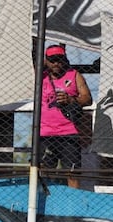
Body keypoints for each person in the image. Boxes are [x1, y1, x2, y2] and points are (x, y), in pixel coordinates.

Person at [40, 44, 92, 189]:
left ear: (65, 59)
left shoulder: (74, 75)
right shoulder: (40, 76)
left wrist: (71, 100)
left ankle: (72, 206)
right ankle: (43, 202)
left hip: (68, 132)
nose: (56, 63)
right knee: (43, 171)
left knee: (72, 172)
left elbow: (87, 98)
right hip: (45, 133)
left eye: (59, 59)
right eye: (52, 60)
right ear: (46, 61)